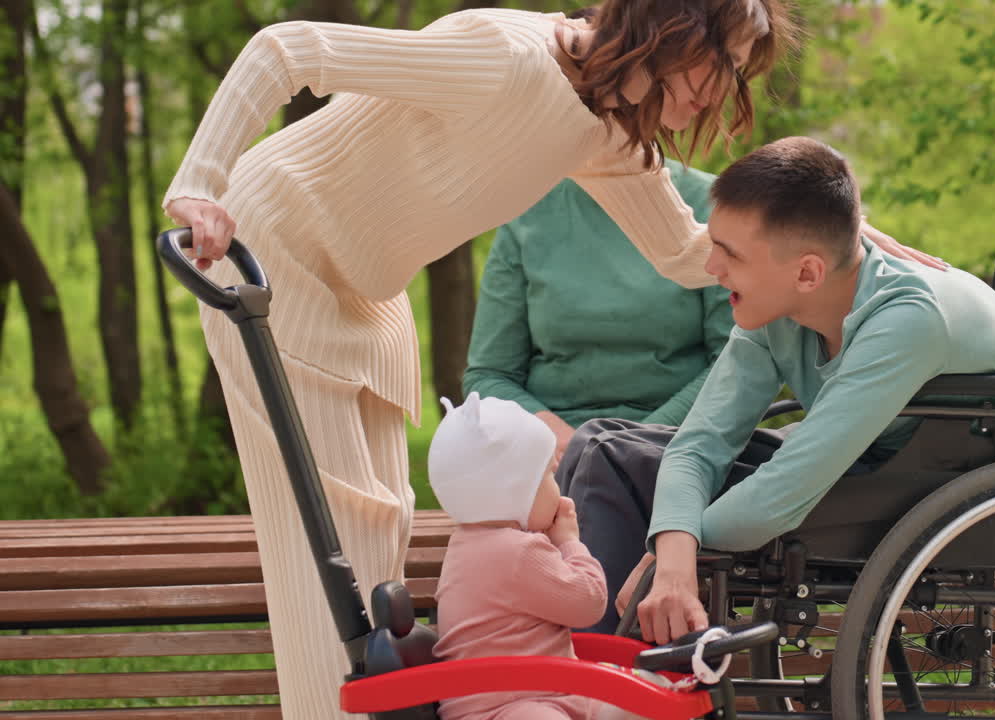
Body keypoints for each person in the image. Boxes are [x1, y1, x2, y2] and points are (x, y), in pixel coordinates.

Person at [160, 2, 939, 715]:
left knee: (380, 524)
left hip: (366, 290)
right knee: (323, 546)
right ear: (671, 24)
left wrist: (840, 244)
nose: (723, 90)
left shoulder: (604, 132)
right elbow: (291, 48)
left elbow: (685, 252)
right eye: (721, 60)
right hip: (274, 253)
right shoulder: (504, 56)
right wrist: (198, 186)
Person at [557, 137, 995, 640]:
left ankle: (606, 679)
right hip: (858, 464)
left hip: (926, 486)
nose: (712, 268)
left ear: (807, 272)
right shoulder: (783, 300)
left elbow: (774, 503)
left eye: (730, 255)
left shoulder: (908, 320)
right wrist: (673, 555)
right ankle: (591, 666)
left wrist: (666, 554)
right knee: (598, 441)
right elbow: (698, 444)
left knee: (614, 460)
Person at [463, 160, 731, 459]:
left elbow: (736, 364)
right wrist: (560, 440)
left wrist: (633, 445)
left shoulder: (713, 202)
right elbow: (489, 376)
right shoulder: (528, 207)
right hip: (554, 456)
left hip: (678, 445)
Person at [429, 393, 662, 720]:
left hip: (543, 692)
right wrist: (570, 542)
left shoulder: (466, 545)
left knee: (643, 696)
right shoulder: (518, 552)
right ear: (517, 489)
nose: (559, 488)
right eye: (550, 476)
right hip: (510, 708)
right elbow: (589, 603)